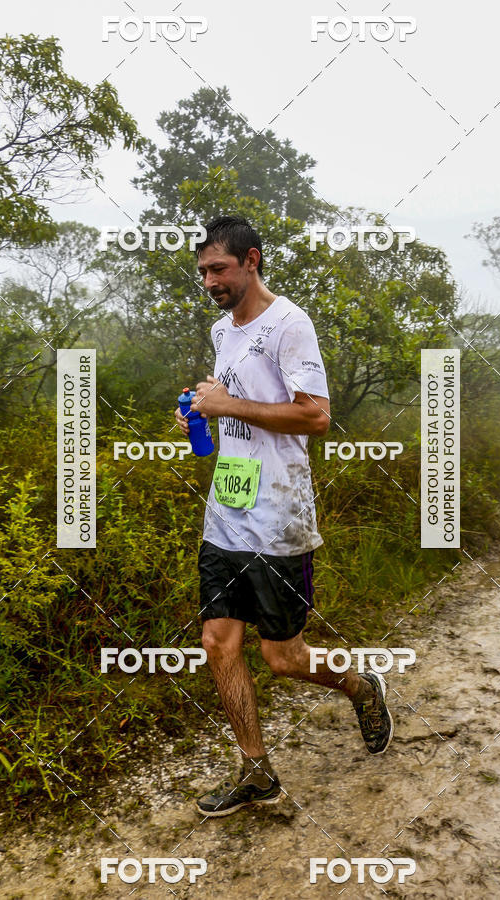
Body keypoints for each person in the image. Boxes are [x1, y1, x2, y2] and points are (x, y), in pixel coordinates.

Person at [174, 216, 393, 817]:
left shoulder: (290, 324)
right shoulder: (222, 330)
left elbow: (315, 416)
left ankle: (360, 685)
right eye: (203, 272)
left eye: (219, 269)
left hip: (278, 514)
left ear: (252, 260)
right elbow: (236, 398)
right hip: (227, 509)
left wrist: (228, 403)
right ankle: (257, 772)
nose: (210, 282)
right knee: (218, 641)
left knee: (283, 657)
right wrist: (205, 405)